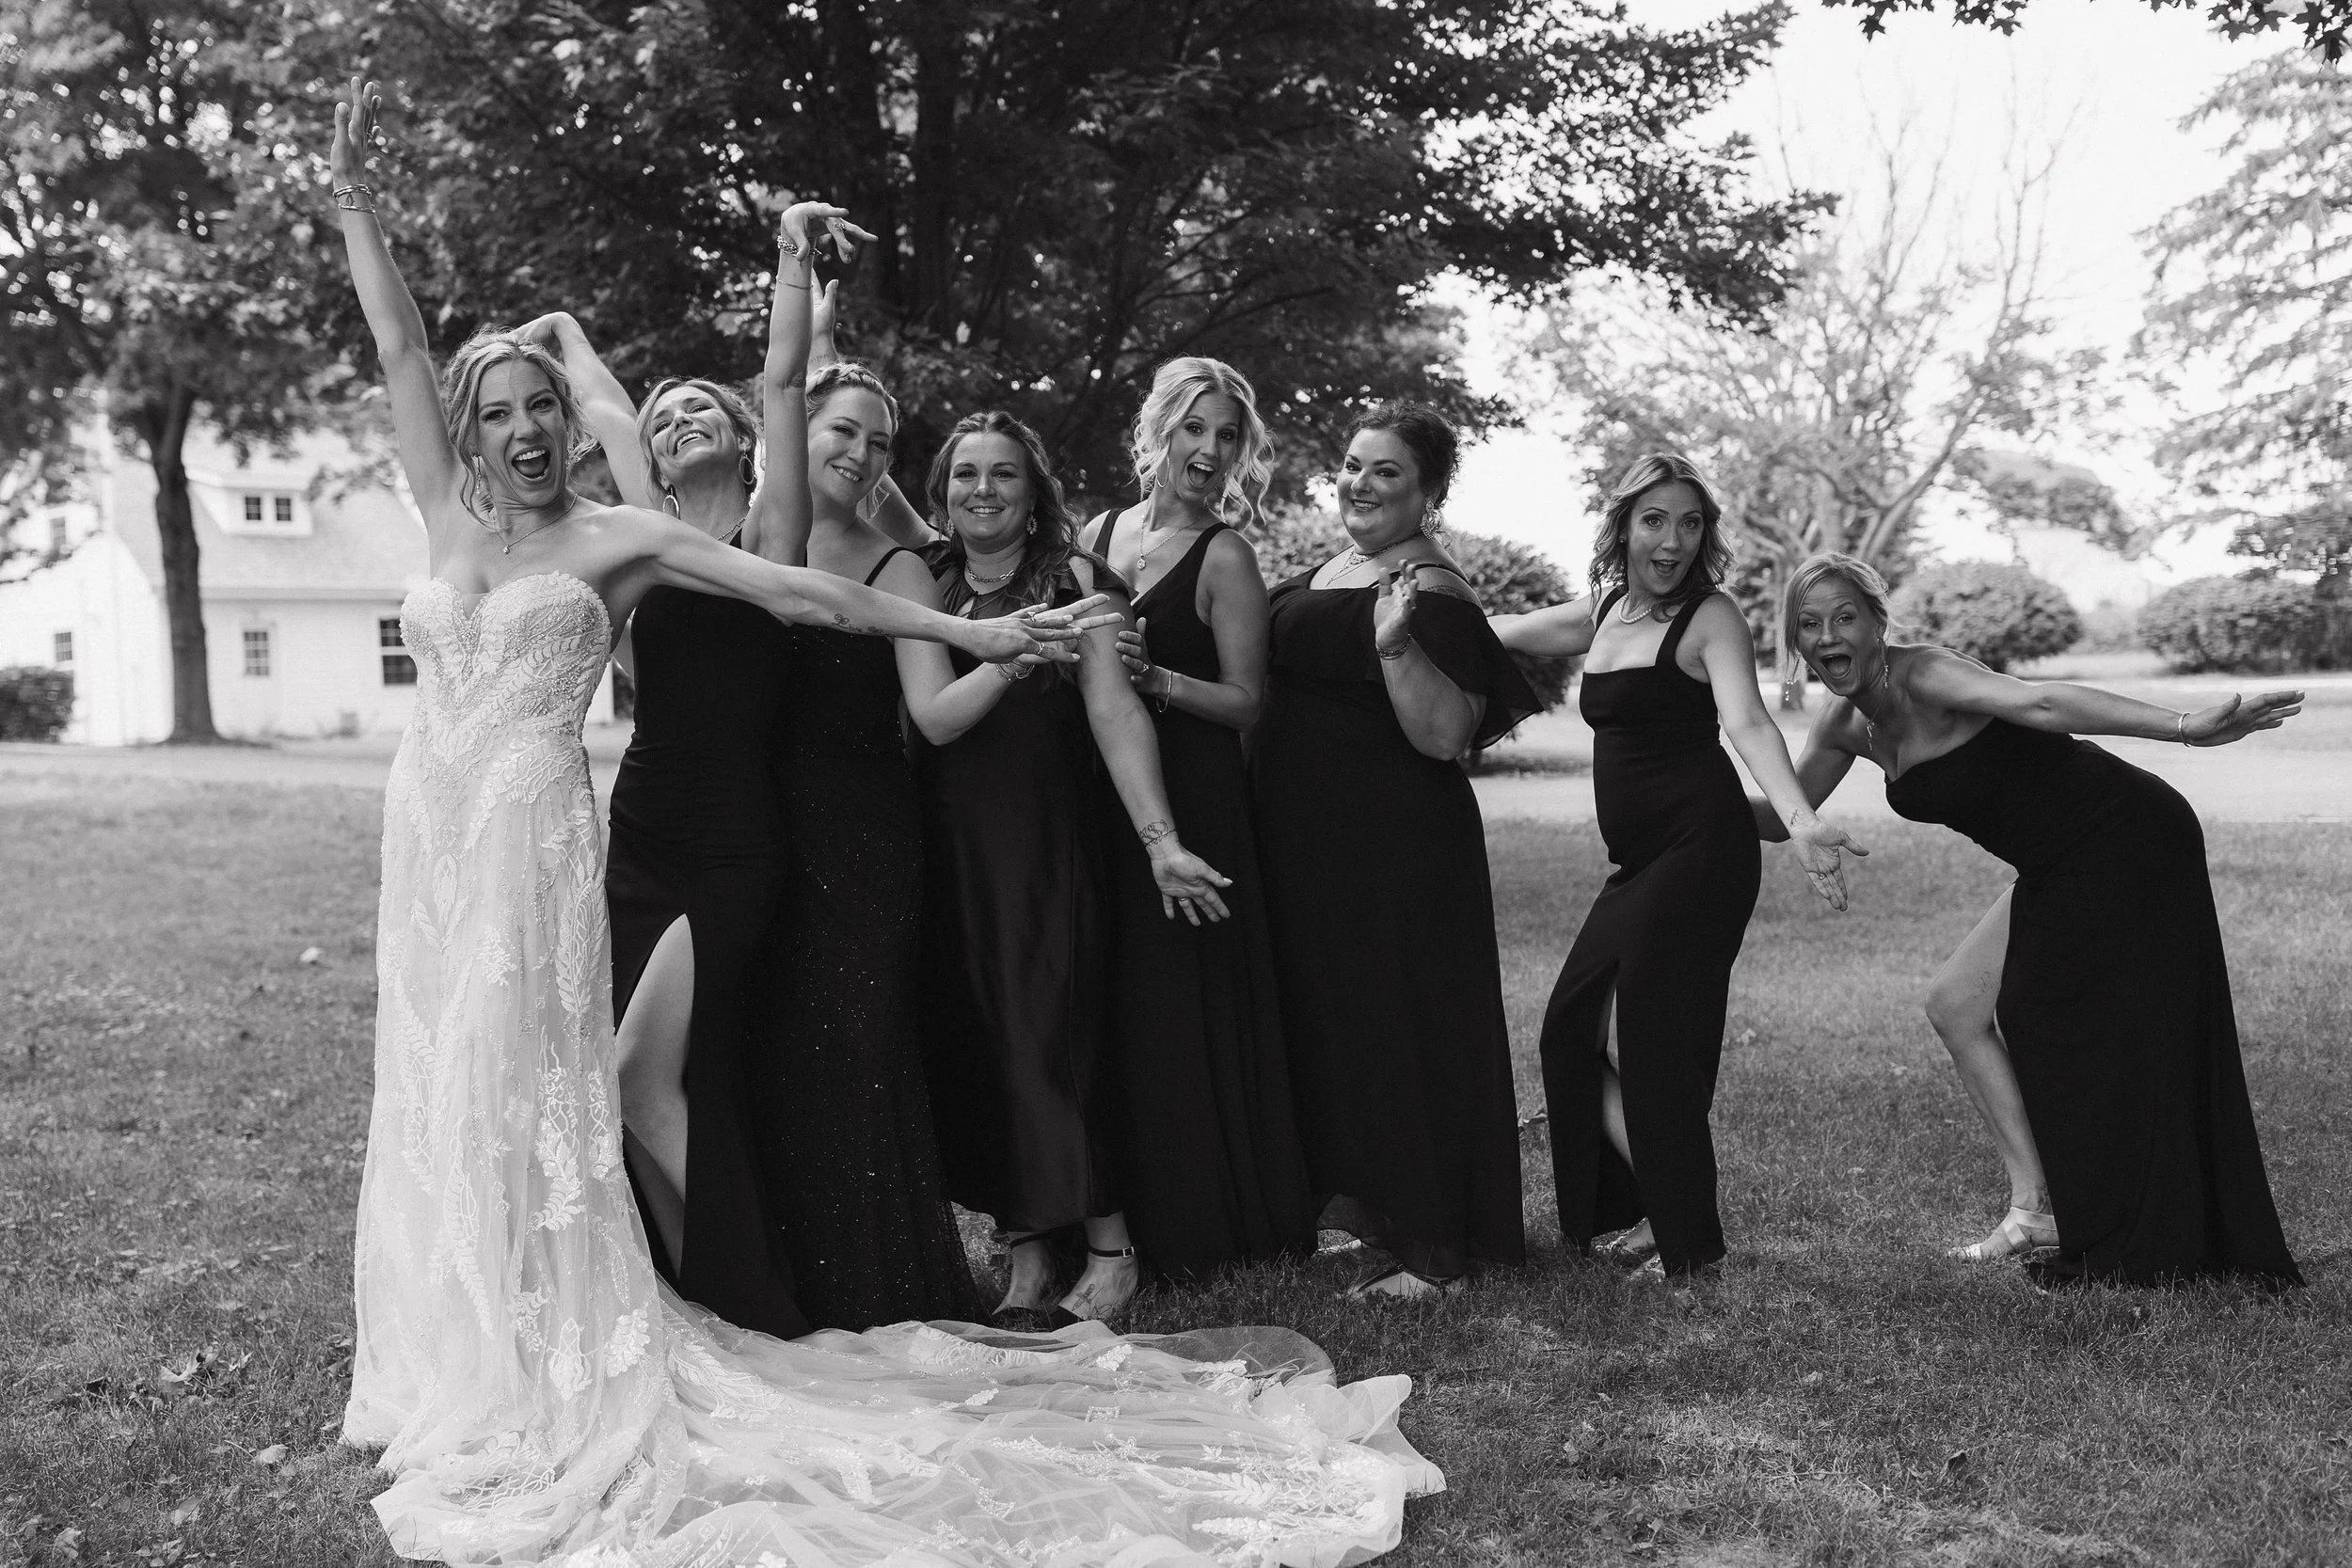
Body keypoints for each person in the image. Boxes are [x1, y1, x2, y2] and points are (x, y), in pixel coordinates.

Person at [327, 77, 1438, 1564]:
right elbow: (397, 340)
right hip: (433, 836)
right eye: (500, 412)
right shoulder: (442, 514)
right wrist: (354, 200)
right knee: (443, 1079)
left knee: (546, 1083)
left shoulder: (625, 536)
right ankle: (463, 1342)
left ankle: (584, 1338)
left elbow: (805, 591)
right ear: (469, 429)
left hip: (537, 840)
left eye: (544, 407)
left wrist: (975, 632)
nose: (527, 430)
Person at [1768, 551, 2303, 1288]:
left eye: (1844, 616)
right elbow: (1781, 815)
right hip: (2057, 863)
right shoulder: (1841, 726)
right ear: (1796, 642)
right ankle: (2033, 1211)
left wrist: (2184, 726)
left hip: (2125, 833)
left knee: (2046, 1011)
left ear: (1877, 622)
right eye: (1809, 624)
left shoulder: (1927, 675)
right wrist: (1680, 792)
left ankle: (2124, 1216)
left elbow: (2044, 703)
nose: (1828, 635)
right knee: (1956, 1004)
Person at [521, 198, 861, 1338]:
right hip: (641, 829)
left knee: (638, 1074)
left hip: (731, 840)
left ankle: (755, 1310)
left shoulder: (770, 535)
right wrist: (567, 335)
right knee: (648, 1085)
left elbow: (783, 380)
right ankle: (699, 1301)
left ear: (736, 434)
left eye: (694, 410)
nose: (671, 424)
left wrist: (790, 257)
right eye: (661, 420)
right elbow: (608, 408)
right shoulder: (647, 536)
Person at [1491, 453, 1863, 1280]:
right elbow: (1499, 630)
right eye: (1655, 520)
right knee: (1571, 1032)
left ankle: (1690, 1241)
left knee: (1651, 1042)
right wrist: (1413, 608)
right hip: (1638, 861)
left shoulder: (1710, 616)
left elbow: (1749, 723)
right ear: (1623, 525)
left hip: (1702, 850)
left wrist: (1801, 820)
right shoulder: (1605, 610)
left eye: (1690, 523)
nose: (1672, 541)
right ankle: (1662, 1209)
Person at [912, 410, 1232, 1326]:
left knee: (1056, 1038)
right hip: (946, 847)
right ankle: (1025, 1247)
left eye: (1003, 473)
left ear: (1034, 491)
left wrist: (1160, 839)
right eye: (965, 473)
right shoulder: (925, 581)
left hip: (1047, 843)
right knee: (979, 1038)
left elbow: (1116, 713)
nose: (982, 489)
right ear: (942, 492)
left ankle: (1110, 1248)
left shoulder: (1078, 581)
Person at [1252, 401, 1540, 1300]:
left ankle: (1434, 1248)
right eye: (1353, 465)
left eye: (1387, 472)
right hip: (1314, 844)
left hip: (1392, 847)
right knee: (1341, 1026)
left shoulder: (1431, 588)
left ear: (1429, 494)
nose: (1361, 483)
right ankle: (1372, 1209)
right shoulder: (1337, 565)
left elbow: (1445, 733)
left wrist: (1395, 643)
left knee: (1403, 1032)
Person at [1088, 356, 1317, 1280]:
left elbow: (1248, 702)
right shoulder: (1098, 532)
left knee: (1181, 1002)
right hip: (1106, 794)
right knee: (1115, 1001)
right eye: (1195, 428)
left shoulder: (1226, 556)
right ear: (1159, 430)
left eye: (1227, 436)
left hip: (1198, 797)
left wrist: (1159, 680)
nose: (1211, 450)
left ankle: (1203, 1216)